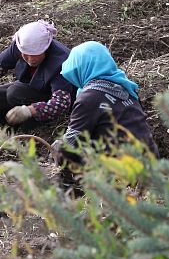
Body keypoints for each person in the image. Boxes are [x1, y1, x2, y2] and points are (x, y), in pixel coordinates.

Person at [53, 41, 158, 170]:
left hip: (123, 170)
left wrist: (53, 154)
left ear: (82, 69)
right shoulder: (125, 87)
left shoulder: (90, 98)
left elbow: (72, 140)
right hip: (150, 161)